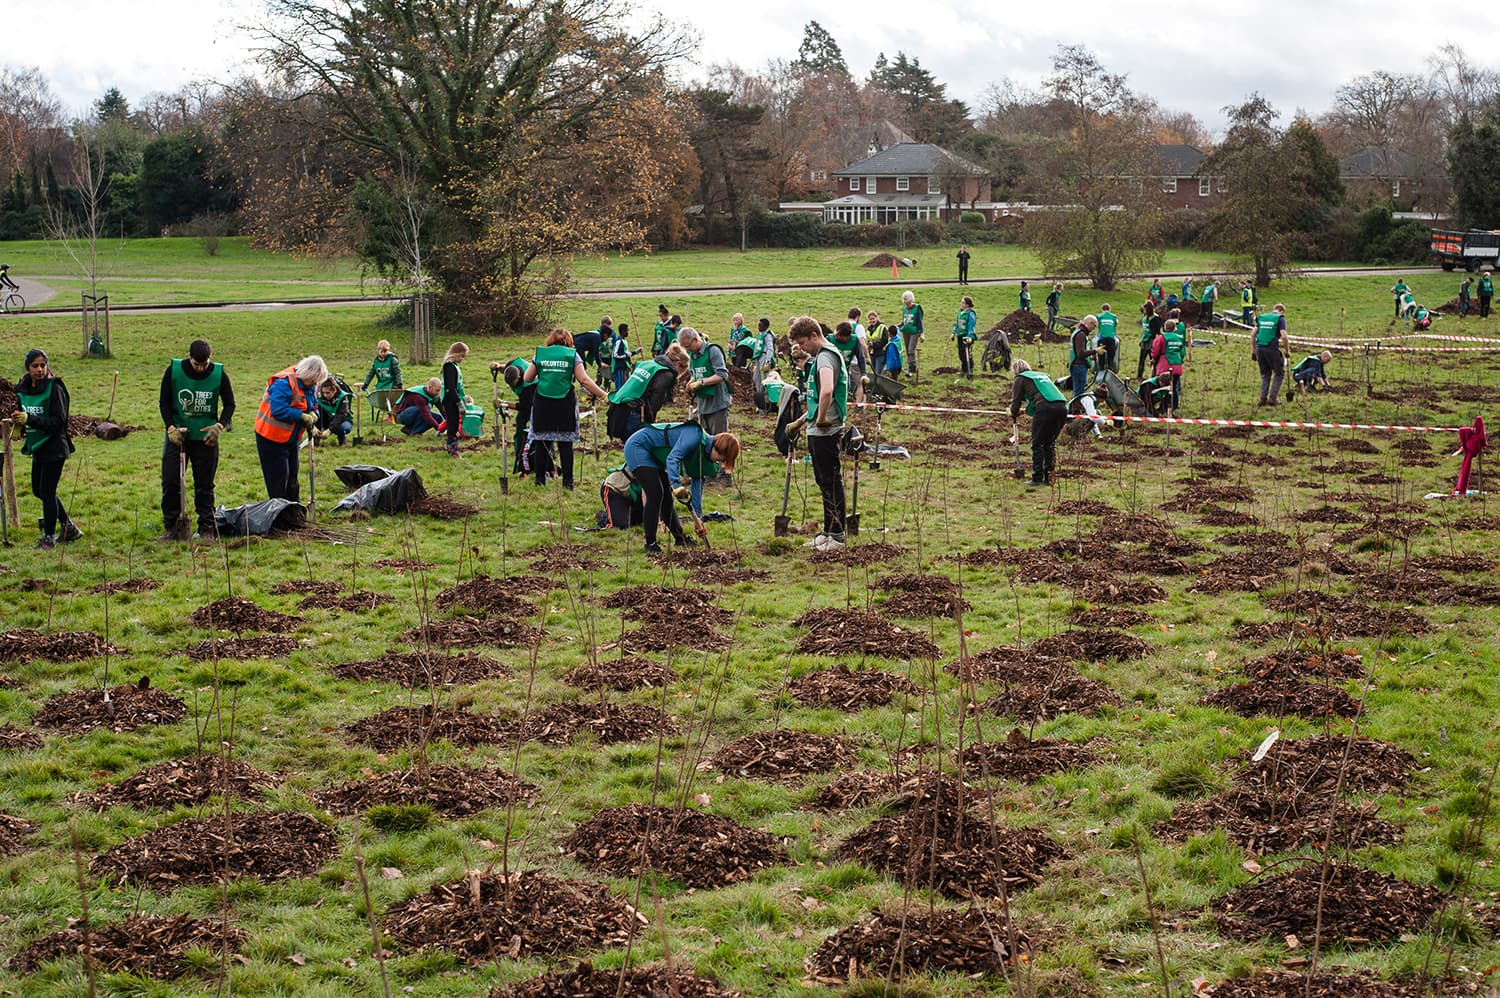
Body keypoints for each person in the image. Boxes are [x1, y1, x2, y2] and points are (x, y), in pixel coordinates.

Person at [158, 339, 235, 541]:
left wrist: (220, 425)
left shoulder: (219, 374)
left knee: (205, 484)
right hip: (179, 436)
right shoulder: (173, 370)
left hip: (206, 438)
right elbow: (164, 402)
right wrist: (170, 427)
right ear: (189, 357)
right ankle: (172, 526)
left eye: (204, 364)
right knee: (170, 480)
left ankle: (207, 528)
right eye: (196, 365)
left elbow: (229, 404)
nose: (200, 369)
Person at [623, 421, 739, 553]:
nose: (717, 462)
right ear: (718, 447)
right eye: (720, 458)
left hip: (655, 455)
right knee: (655, 494)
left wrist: (698, 519)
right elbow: (672, 459)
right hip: (638, 447)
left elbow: (697, 485)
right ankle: (651, 544)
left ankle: (680, 539)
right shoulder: (694, 436)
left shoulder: (706, 456)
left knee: (666, 498)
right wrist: (676, 486)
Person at [787, 315, 849, 550]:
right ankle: (828, 531)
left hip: (826, 430)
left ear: (814, 336)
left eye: (803, 343)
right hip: (819, 428)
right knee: (823, 480)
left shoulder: (825, 357)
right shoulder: (825, 355)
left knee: (830, 480)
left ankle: (837, 535)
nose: (802, 349)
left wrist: (822, 418)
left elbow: (827, 390)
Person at [524, 329, 609, 489]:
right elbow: (583, 379)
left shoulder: (540, 354)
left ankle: (539, 480)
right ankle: (568, 483)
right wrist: (603, 394)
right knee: (565, 444)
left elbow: (527, 378)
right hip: (565, 404)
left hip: (543, 403)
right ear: (569, 341)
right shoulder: (572, 355)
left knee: (542, 441)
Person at [13, 349, 81, 548]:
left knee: (47, 491)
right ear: (28, 367)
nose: (40, 369)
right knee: (38, 490)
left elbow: (59, 422)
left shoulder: (55, 388)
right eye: (35, 366)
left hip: (54, 446)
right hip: (37, 446)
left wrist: (30, 419)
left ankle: (48, 538)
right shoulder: (23, 387)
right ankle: (69, 527)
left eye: (43, 365)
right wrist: (19, 424)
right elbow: (22, 410)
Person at [254, 354, 328, 502]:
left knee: (292, 477)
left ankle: (294, 512)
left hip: (292, 439)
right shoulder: (284, 384)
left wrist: (314, 414)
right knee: (278, 479)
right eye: (312, 381)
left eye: (316, 382)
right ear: (306, 374)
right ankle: (279, 515)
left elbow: (313, 404)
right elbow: (278, 410)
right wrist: (301, 416)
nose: (314, 384)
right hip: (270, 438)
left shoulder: (311, 385)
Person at [608, 342, 689, 441]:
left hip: (618, 407)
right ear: (677, 364)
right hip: (634, 413)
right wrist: (650, 422)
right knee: (640, 446)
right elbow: (655, 401)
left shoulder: (647, 363)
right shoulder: (665, 374)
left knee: (629, 446)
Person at [1009, 358, 1067, 488]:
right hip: (1062, 407)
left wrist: (1013, 412)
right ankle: (1049, 476)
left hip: (1045, 408)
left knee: (1037, 443)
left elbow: (1016, 400)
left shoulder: (1020, 378)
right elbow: (1042, 396)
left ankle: (1037, 478)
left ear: (1015, 370)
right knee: (1049, 443)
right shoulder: (1041, 376)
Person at [679, 327, 732, 435]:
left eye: (688, 346)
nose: (687, 350)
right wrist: (692, 380)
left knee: (718, 441)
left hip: (717, 404)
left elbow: (722, 375)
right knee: (705, 441)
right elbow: (695, 373)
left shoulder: (713, 351)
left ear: (695, 340)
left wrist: (702, 382)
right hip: (703, 405)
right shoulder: (693, 355)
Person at [1252, 304, 1288, 406]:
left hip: (1259, 348)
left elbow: (1253, 334)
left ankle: (1262, 399)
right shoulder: (1280, 319)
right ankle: (1273, 398)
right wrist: (1287, 350)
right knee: (1279, 373)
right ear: (1281, 311)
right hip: (1271, 348)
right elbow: (1284, 337)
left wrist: (1254, 350)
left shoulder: (1262, 317)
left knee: (1265, 374)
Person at [439, 342, 470, 457]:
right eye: (462, 356)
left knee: (455, 423)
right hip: (450, 400)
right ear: (455, 353)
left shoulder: (454, 366)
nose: (463, 359)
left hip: (454, 399)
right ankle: (452, 449)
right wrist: (458, 402)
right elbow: (450, 387)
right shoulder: (449, 367)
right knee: (452, 424)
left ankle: (453, 448)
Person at [1153, 318, 1187, 412]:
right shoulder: (1179, 338)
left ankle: (1163, 408)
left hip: (1165, 366)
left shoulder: (1161, 337)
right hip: (1177, 366)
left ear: (1165, 327)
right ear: (1174, 328)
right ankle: (1174, 406)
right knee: (1174, 386)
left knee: (1164, 388)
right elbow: (1183, 353)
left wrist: (1154, 359)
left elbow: (1155, 351)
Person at [315, 378, 354, 445]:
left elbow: (341, 415)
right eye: (323, 392)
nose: (325, 395)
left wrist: (329, 430)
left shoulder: (343, 397)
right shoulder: (319, 397)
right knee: (316, 416)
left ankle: (342, 441)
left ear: (334, 390)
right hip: (327, 420)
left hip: (343, 421)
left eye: (328, 393)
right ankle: (315, 439)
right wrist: (315, 428)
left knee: (342, 427)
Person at [751, 317, 778, 410]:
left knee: (765, 380)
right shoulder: (760, 335)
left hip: (764, 357)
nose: (758, 326)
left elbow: (770, 348)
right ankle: (760, 400)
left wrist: (768, 361)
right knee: (756, 378)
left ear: (765, 326)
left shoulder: (768, 336)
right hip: (758, 358)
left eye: (760, 325)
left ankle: (767, 401)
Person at [1068, 315, 1097, 400]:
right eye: (1094, 326)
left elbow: (1078, 352)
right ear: (1089, 323)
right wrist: (1095, 351)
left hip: (1078, 365)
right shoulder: (1081, 335)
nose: (1094, 329)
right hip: (1079, 367)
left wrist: (1090, 358)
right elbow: (1080, 354)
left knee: (1078, 391)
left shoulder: (1079, 332)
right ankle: (1074, 411)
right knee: (1079, 394)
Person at [898, 290, 924, 378]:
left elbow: (919, 321)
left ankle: (911, 369)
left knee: (911, 350)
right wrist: (900, 324)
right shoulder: (904, 308)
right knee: (907, 350)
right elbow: (905, 320)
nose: (904, 301)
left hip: (914, 332)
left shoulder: (917, 308)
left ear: (910, 299)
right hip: (905, 331)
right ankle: (911, 366)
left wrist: (921, 333)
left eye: (906, 299)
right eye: (903, 299)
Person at [951, 295, 977, 377]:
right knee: (961, 353)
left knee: (967, 353)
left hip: (967, 336)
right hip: (960, 335)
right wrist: (953, 333)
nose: (961, 304)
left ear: (967, 305)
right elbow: (957, 324)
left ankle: (969, 368)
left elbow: (971, 326)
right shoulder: (960, 312)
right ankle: (964, 368)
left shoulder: (971, 314)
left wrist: (969, 336)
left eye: (963, 302)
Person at [1138, 301, 1161, 381]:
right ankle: (1139, 375)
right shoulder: (1144, 319)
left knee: (1153, 360)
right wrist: (1141, 339)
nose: (1144, 311)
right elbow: (1144, 331)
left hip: (1152, 341)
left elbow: (1157, 332)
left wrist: (1156, 342)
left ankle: (1154, 376)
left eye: (1145, 309)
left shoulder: (1156, 319)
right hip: (1145, 341)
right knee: (1142, 359)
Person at [609, 322, 634, 390]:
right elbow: (615, 354)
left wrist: (635, 353)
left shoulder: (624, 341)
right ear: (623, 331)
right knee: (620, 385)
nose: (628, 332)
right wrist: (625, 355)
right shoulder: (619, 341)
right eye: (627, 330)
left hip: (625, 365)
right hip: (619, 366)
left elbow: (626, 353)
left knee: (625, 383)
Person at [1095, 304, 1119, 374]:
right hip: (1111, 339)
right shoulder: (1114, 317)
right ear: (1110, 309)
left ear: (1102, 310)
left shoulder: (1099, 316)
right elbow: (1117, 323)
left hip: (1102, 339)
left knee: (1101, 358)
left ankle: (1101, 372)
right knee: (1110, 358)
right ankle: (1110, 372)